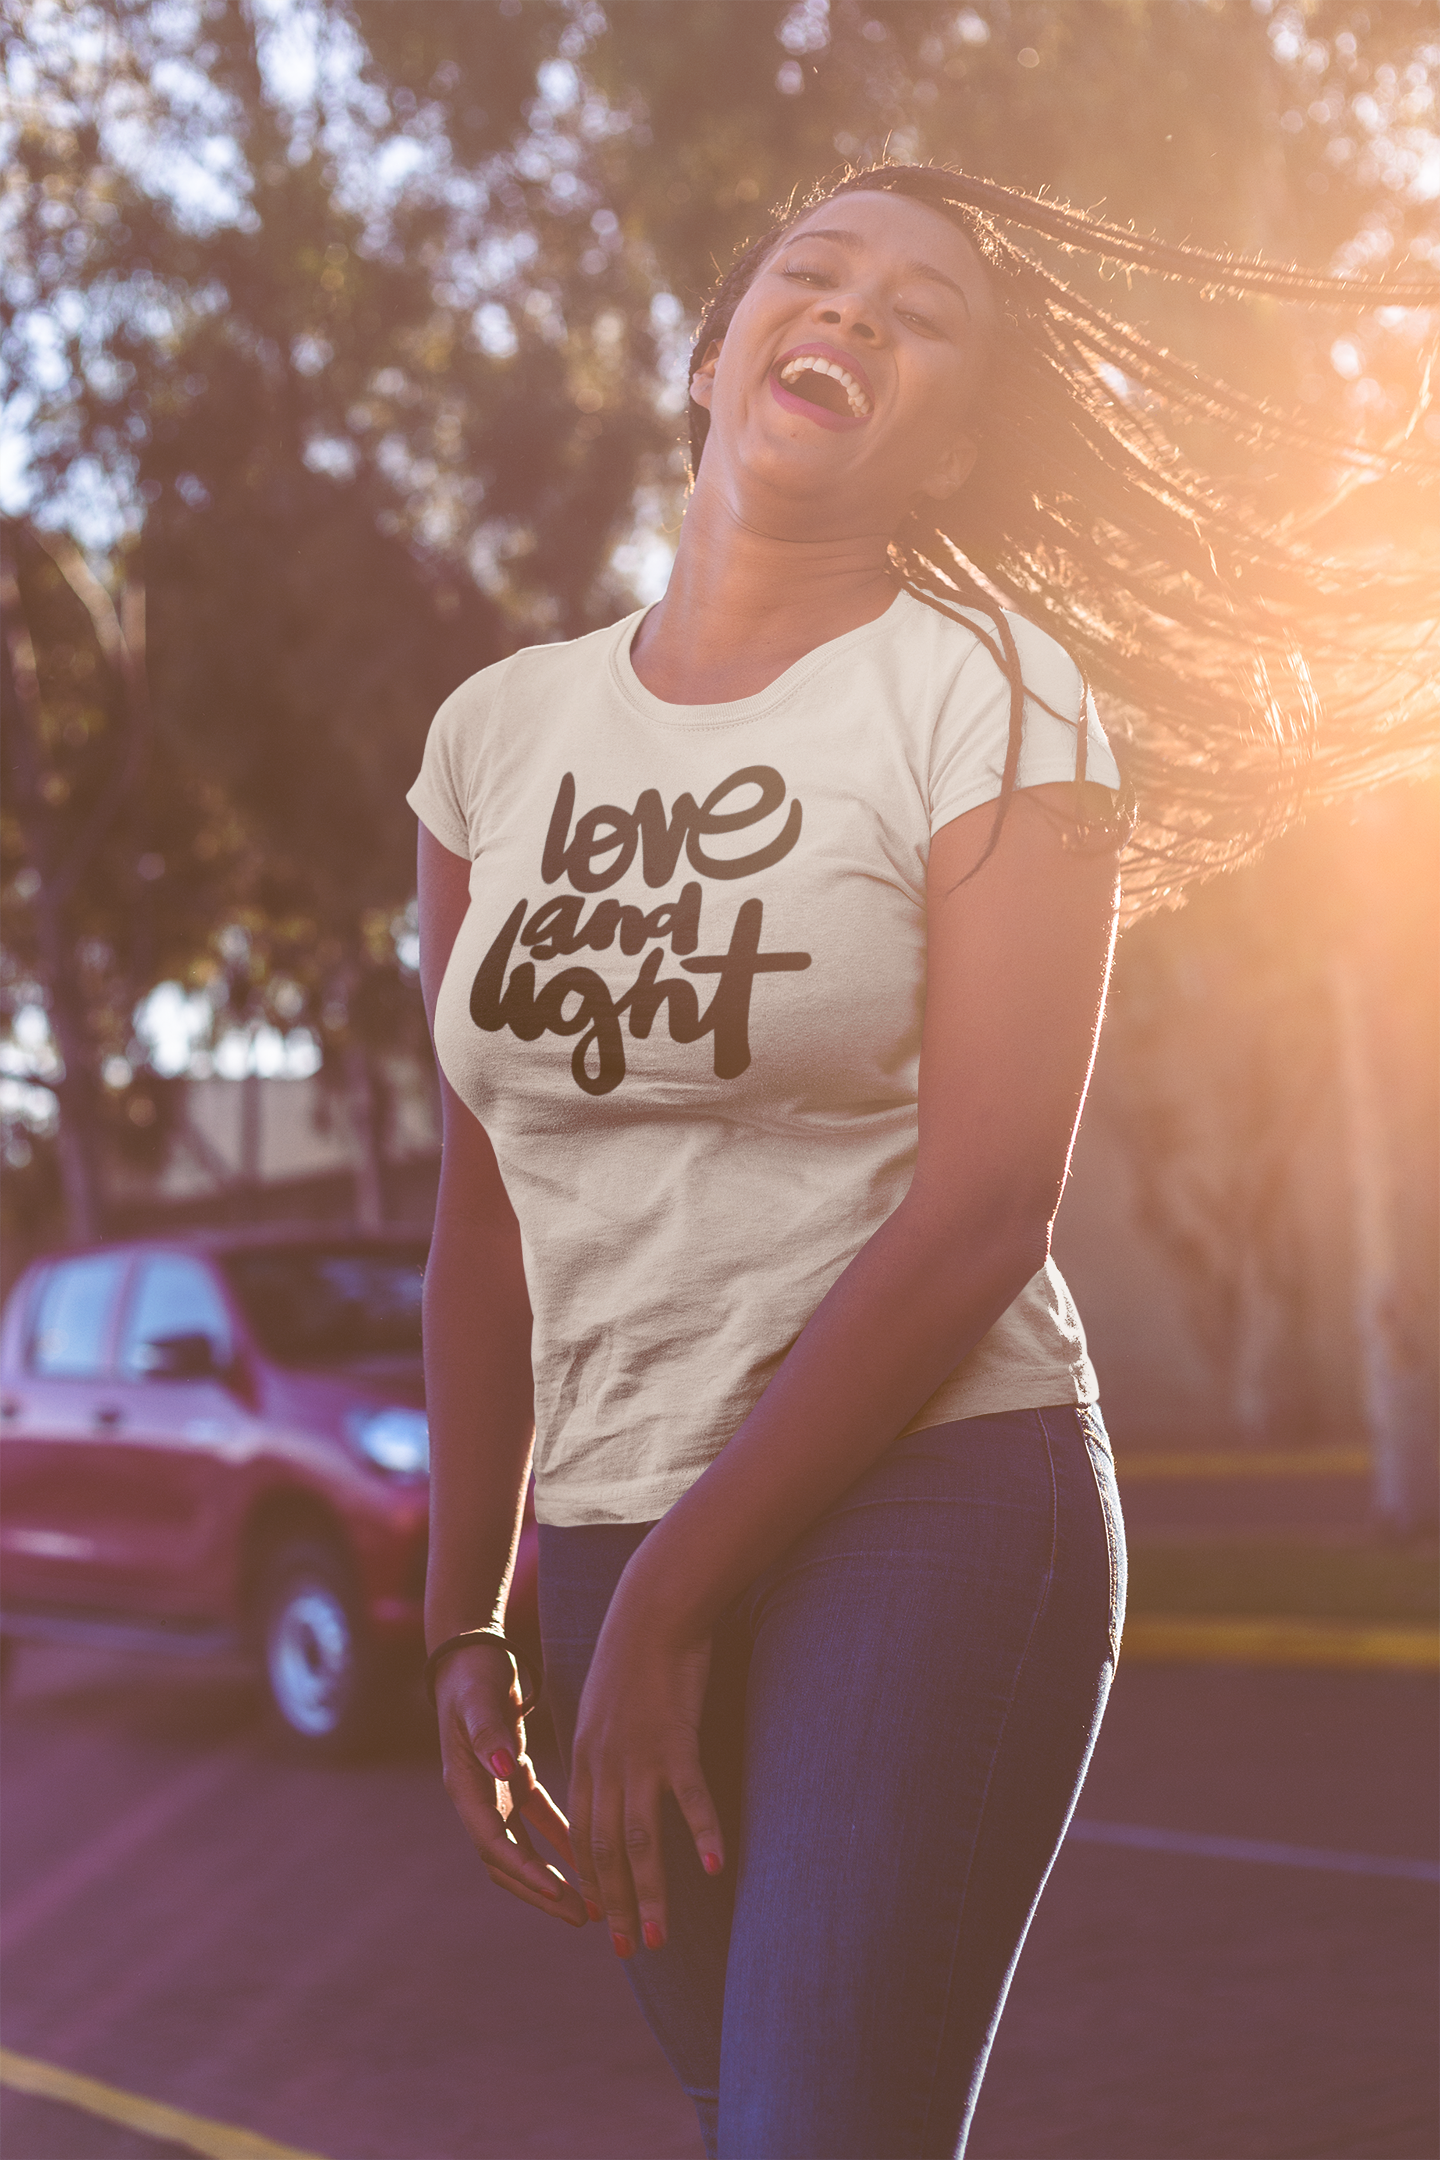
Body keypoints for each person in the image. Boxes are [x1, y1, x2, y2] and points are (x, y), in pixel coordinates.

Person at [408, 165, 1437, 2160]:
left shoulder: (997, 699)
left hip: (932, 1495)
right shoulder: (493, 742)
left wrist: (671, 1606)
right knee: (765, 2115)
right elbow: (484, 1213)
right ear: (714, 356)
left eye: (923, 314)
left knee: (813, 2133)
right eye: (815, 276)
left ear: (953, 444)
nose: (856, 313)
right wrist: (471, 1615)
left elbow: (984, 1214)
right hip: (616, 1521)